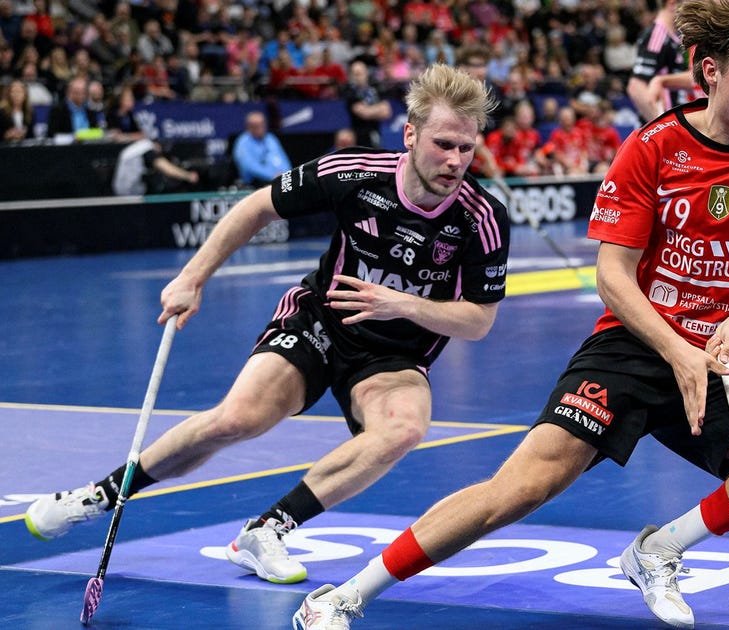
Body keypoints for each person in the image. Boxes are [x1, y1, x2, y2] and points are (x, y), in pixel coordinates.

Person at [292, 3, 729, 628]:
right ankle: (343, 596)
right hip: (636, 346)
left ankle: (660, 550)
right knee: (518, 490)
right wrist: (674, 349)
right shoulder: (654, 146)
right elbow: (613, 276)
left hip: (723, 358)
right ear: (711, 71)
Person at [25, 64, 510, 587]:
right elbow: (257, 208)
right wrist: (193, 277)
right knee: (237, 418)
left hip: (395, 353)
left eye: (466, 148)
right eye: (443, 144)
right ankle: (98, 495)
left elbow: (479, 321)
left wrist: (403, 305)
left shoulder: (481, 218)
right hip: (320, 321)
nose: (455, 160)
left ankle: (266, 530)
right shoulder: (353, 173)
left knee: (404, 428)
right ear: (410, 135)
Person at [625, 0, 697, 123]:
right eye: (688, 5)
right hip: (667, 125)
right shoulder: (657, 35)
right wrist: (663, 125)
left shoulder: (673, 37)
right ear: (672, 4)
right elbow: (635, 87)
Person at [111, 138, 202, 195]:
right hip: (130, 193)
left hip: (120, 189)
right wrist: (188, 176)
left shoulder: (138, 146)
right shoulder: (148, 149)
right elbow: (168, 169)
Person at [232, 111, 292, 187]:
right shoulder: (243, 142)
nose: (261, 128)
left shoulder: (270, 138)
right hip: (255, 184)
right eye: (256, 126)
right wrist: (272, 176)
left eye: (262, 124)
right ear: (249, 127)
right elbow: (249, 167)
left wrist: (286, 175)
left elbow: (282, 160)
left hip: (278, 181)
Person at [343, 60, 392, 148]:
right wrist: (378, 109)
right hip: (359, 135)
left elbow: (387, 112)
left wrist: (369, 110)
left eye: (360, 73)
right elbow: (363, 113)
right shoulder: (350, 91)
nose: (358, 77)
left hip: (376, 132)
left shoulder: (376, 88)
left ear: (366, 73)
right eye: (355, 74)